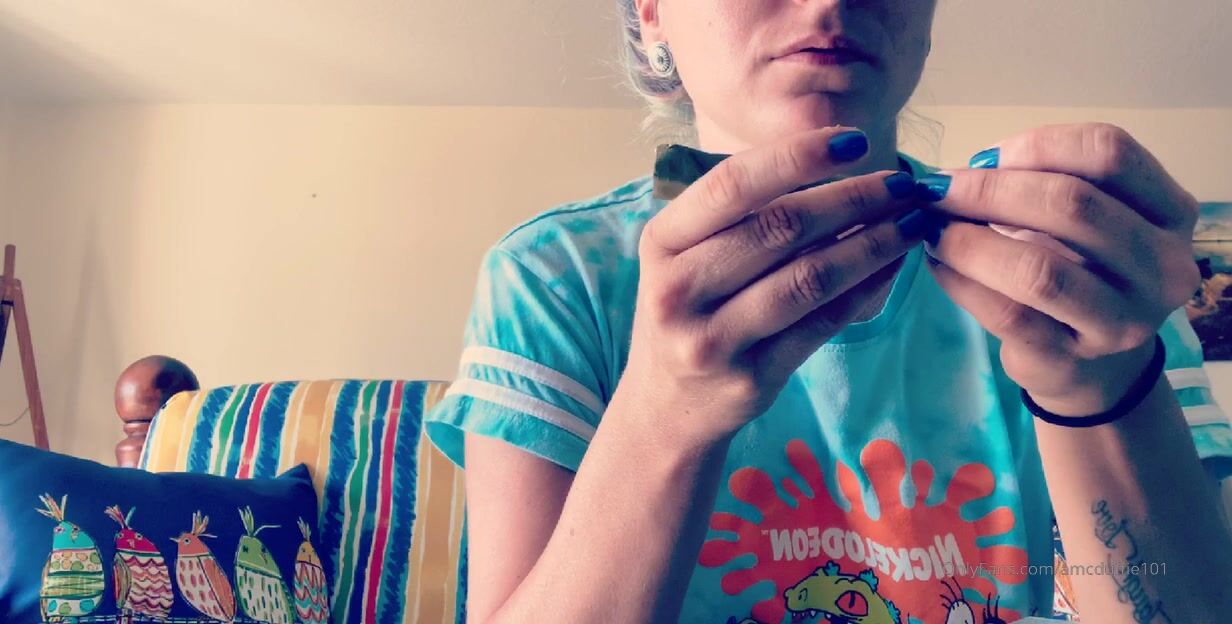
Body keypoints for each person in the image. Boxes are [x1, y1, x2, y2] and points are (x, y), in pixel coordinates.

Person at [425, 1, 1232, 622]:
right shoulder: (553, 277)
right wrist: (662, 416)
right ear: (652, 10)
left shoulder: (1084, 271)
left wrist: (1102, 393)